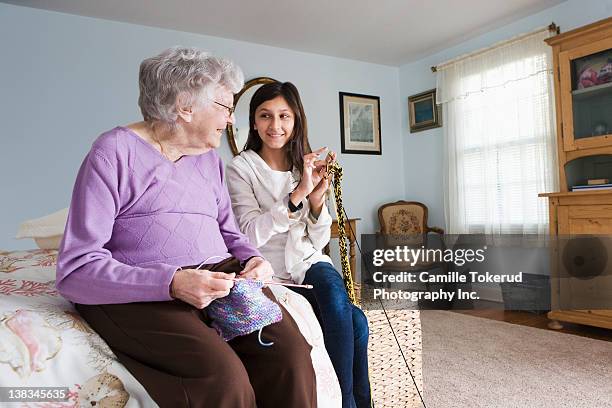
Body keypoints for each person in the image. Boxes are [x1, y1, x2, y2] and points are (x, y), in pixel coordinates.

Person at [56, 48, 316, 408]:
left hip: (218, 277)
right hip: (143, 287)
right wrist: (172, 283)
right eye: (225, 107)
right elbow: (76, 270)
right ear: (184, 106)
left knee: (291, 357)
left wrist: (253, 259)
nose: (229, 121)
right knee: (224, 378)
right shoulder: (112, 152)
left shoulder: (208, 158)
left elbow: (229, 231)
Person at [226, 81, 371, 408]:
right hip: (272, 273)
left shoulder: (301, 166)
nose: (275, 126)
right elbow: (248, 235)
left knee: (336, 299)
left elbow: (318, 240)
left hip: (309, 264)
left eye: (283, 116)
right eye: (265, 116)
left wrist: (318, 200)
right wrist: (296, 196)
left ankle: (346, 403)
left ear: (296, 121)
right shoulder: (241, 168)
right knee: (357, 322)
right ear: (253, 122)